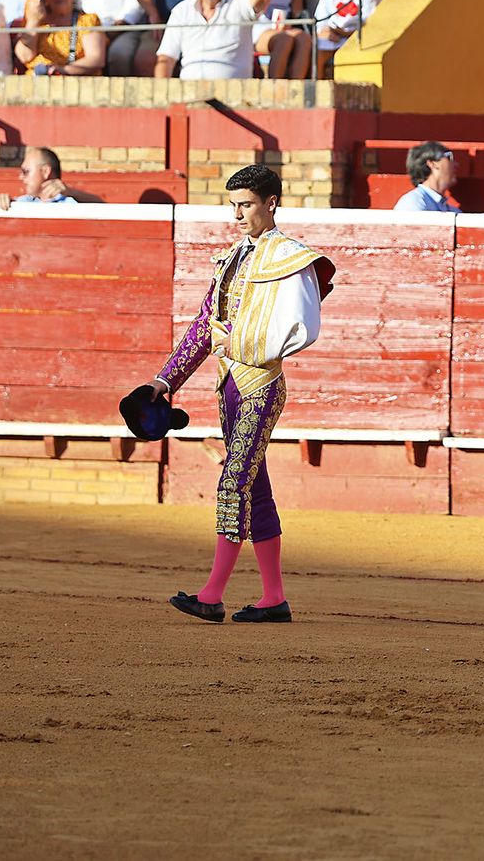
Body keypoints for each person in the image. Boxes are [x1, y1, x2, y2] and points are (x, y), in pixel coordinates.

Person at [147, 164, 336, 624]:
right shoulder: (233, 258)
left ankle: (211, 594)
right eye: (233, 205)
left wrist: (243, 344)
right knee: (257, 490)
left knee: (234, 481)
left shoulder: (291, 257)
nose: (237, 214)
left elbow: (303, 328)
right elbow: (202, 326)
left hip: (260, 385)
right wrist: (165, 381)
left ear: (271, 203)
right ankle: (274, 598)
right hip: (227, 386)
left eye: (246, 204)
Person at [153, 0, 271, 78]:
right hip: (190, 94)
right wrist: (163, 95)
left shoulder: (239, 2)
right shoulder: (181, 10)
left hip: (234, 94)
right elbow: (166, 58)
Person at [13, 0, 105, 73]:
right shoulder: (38, 24)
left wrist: (61, 71)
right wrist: (33, 22)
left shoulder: (87, 21)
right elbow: (24, 56)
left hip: (78, 83)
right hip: (37, 83)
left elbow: (96, 59)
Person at [0, 146, 79, 210]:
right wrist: (2, 201)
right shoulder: (24, 201)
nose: (21, 177)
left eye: (26, 171)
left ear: (45, 172)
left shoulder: (71, 204)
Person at [393, 140, 459, 212]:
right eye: (449, 157)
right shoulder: (413, 203)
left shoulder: (451, 209)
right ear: (433, 164)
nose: (455, 164)